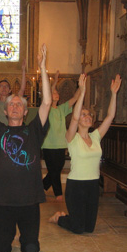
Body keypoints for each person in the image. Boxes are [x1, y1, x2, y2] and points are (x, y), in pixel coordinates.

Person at [0, 44, 51, 252]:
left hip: (30, 200)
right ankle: (9, 235)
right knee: (1, 251)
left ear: (26, 111)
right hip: (4, 200)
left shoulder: (34, 131)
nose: (15, 106)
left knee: (30, 251)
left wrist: (43, 67)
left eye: (19, 105)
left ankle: (26, 237)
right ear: (5, 110)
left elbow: (47, 102)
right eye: (11, 104)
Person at [49, 73, 122, 234]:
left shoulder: (95, 136)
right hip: (76, 186)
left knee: (89, 228)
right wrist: (82, 92)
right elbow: (74, 118)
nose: (87, 116)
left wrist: (114, 94)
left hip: (92, 185)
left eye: (89, 114)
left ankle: (68, 217)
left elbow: (110, 116)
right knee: (78, 228)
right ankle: (59, 218)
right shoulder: (71, 138)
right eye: (84, 114)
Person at [42, 70, 80, 202]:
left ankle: (41, 187)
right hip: (48, 145)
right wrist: (54, 81)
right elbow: (48, 94)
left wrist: (82, 86)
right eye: (54, 93)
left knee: (57, 169)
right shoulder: (46, 109)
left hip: (61, 144)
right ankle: (58, 193)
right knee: (54, 169)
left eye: (57, 93)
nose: (56, 94)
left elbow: (74, 98)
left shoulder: (62, 109)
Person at [0, 59, 26, 124]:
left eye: (6, 86)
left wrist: (23, 70)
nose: (4, 88)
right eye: (1, 86)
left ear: (9, 90)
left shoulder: (12, 103)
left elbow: (22, 89)